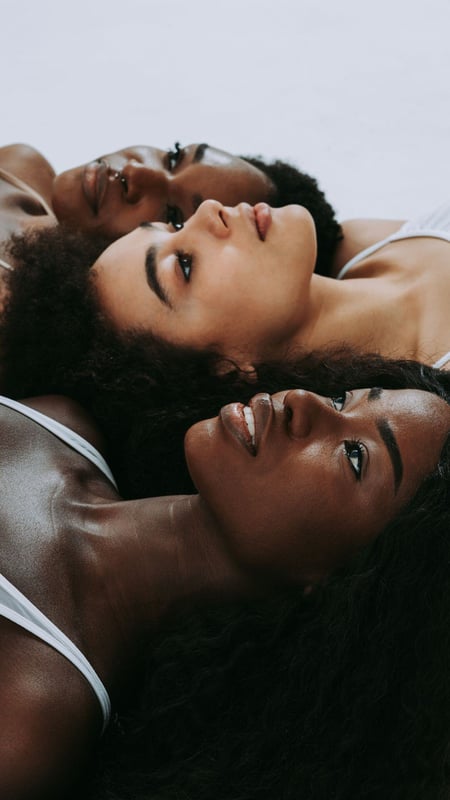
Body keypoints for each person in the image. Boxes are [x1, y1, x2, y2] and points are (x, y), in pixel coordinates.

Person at [2, 353, 448, 800]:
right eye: (340, 400)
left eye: (355, 457)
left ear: (347, 587)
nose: (302, 401)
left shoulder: (27, 720)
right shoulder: (57, 425)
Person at [0, 142, 341, 287]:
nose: (135, 172)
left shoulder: (13, 310)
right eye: (174, 157)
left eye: (174, 216)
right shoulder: (23, 166)